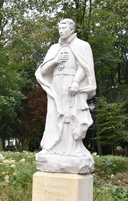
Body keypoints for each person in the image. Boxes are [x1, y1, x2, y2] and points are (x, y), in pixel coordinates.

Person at [35, 19, 96, 172]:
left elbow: (85, 66)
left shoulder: (82, 45)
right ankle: (52, 146)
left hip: (72, 84)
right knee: (55, 115)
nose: (60, 30)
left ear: (71, 28)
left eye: (63, 27)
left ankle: (73, 148)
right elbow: (43, 71)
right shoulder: (54, 48)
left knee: (71, 115)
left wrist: (76, 81)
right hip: (56, 85)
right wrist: (55, 60)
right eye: (59, 27)